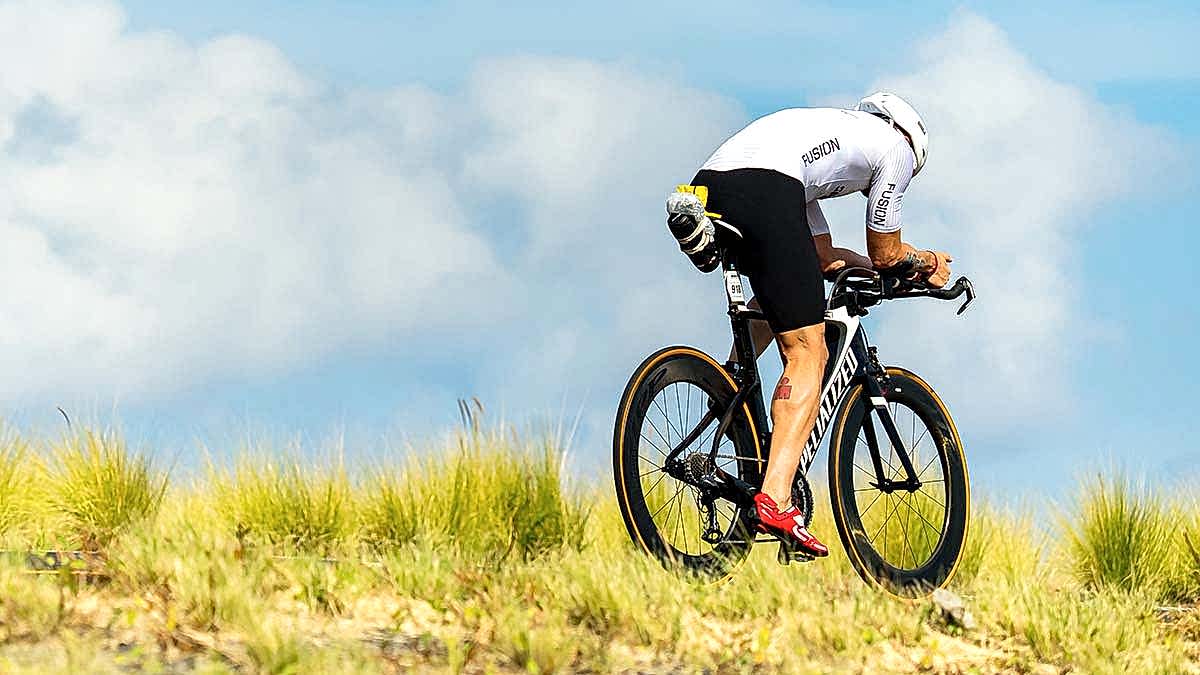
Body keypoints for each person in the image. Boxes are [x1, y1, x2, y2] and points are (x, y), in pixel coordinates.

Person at [666, 93, 953, 557]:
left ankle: (729, 385)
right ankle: (776, 497)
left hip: (714, 182)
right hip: (769, 190)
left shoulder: (823, 137)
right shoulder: (896, 148)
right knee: (807, 352)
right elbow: (886, 251)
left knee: (785, 295)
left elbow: (822, 258)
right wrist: (923, 262)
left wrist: (877, 269)